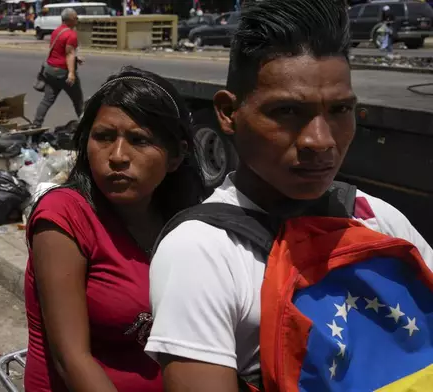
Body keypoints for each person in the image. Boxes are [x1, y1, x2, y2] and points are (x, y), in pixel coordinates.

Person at [145, 0, 433, 390]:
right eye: (286, 111)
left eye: (339, 109)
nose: (321, 140)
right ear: (228, 113)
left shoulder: (377, 218)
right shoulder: (203, 252)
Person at [24, 66, 208, 392]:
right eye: (104, 137)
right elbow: (72, 360)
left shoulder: (183, 220)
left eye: (139, 140)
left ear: (177, 156)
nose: (118, 156)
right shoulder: (63, 216)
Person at [31, 8, 83, 128]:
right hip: (62, 72)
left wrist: (76, 58)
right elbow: (69, 53)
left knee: (47, 100)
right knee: (78, 100)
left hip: (50, 70)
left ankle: (36, 125)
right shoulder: (71, 34)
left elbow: (59, 51)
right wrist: (71, 73)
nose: (77, 20)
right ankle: (86, 127)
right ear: (69, 20)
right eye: (75, 18)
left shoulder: (57, 31)